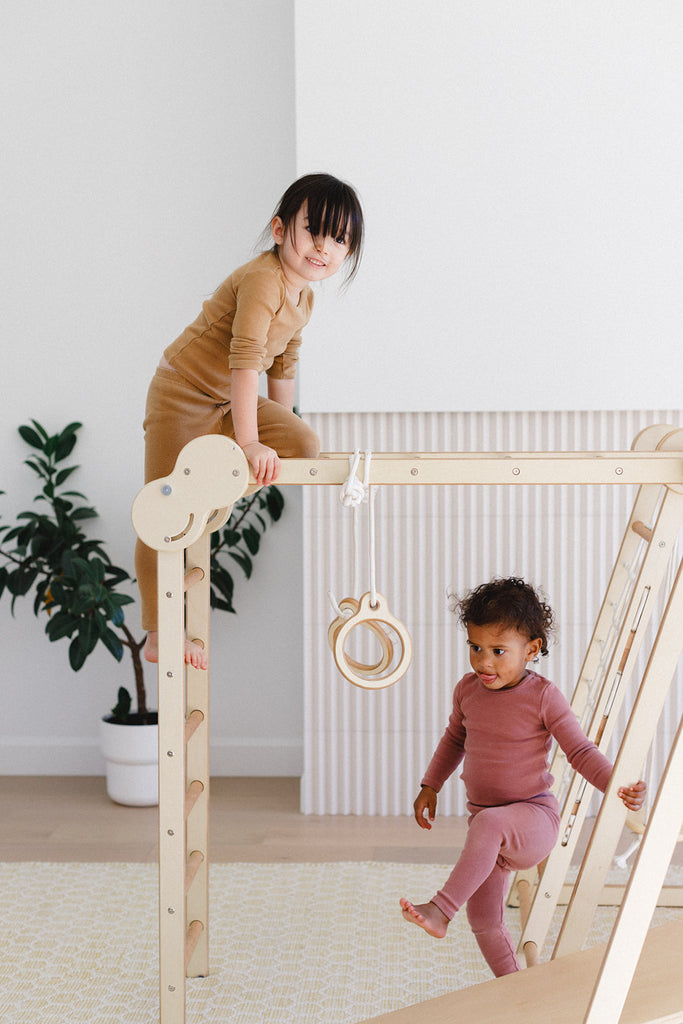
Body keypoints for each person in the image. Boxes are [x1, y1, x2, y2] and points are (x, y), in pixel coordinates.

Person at [135, 173, 364, 669]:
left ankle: (208, 489)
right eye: (314, 231)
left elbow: (282, 363)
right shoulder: (264, 279)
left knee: (303, 444)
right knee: (164, 507)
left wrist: (275, 431)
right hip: (183, 393)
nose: (324, 247)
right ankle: (156, 632)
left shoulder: (304, 297)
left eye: (339, 238)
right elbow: (246, 362)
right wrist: (251, 442)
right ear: (281, 230)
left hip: (224, 401)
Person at [399, 576, 646, 977]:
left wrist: (617, 785)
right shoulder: (467, 691)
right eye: (475, 648)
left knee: (490, 824)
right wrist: (431, 784)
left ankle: (441, 910)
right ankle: (517, 993)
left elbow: (581, 751)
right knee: (485, 922)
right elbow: (453, 739)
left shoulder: (543, 696)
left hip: (533, 819)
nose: (484, 661)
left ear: (531, 650)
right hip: (488, 832)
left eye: (498, 651)